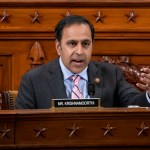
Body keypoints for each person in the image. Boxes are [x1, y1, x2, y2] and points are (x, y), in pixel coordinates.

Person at [15, 15, 150, 109]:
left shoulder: (111, 74)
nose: (80, 51)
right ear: (58, 47)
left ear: (92, 45)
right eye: (72, 43)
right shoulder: (33, 80)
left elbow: (134, 103)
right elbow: (22, 128)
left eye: (85, 44)